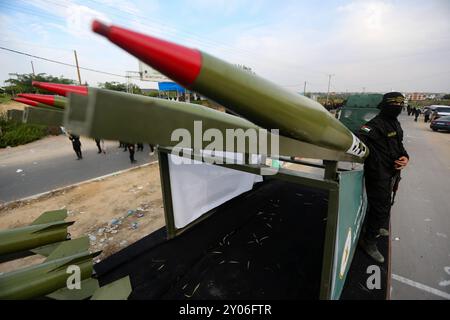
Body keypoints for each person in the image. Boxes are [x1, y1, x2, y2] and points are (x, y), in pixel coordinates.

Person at [357, 92, 409, 263]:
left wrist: (405, 157)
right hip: (377, 174)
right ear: (385, 106)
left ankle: (377, 226)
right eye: (395, 105)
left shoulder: (394, 123)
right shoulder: (373, 126)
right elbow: (358, 142)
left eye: (401, 105)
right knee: (380, 207)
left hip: (391, 172)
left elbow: (399, 145)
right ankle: (368, 241)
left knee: (386, 203)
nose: (398, 108)